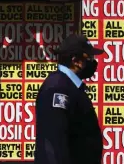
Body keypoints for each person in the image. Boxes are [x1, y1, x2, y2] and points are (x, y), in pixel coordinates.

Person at [34, 34, 105, 164]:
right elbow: (53, 145)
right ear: (75, 61)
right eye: (88, 57)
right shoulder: (57, 88)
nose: (93, 62)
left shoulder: (71, 87)